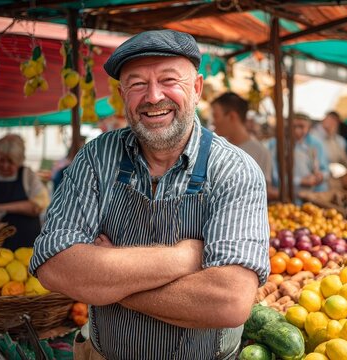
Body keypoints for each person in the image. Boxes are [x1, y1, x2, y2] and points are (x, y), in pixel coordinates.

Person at [30, 30, 269, 360]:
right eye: (138, 83)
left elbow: (229, 301)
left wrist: (106, 286)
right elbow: (53, 265)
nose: (153, 96)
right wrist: (183, 258)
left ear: (197, 88)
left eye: (169, 80)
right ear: (122, 93)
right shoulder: (95, 158)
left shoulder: (234, 169)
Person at [0, 134, 50, 250]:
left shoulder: (28, 176)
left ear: (19, 161)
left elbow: (36, 207)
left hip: (27, 244)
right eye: (1, 160)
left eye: (10, 162)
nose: (5, 165)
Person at [210, 92, 273, 187]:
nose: (213, 122)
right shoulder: (215, 147)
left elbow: (264, 190)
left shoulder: (260, 152)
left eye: (215, 116)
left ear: (232, 116)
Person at [268, 113, 329, 203]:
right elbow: (275, 177)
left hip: (314, 197)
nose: (297, 130)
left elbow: (325, 170)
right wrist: (300, 181)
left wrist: (320, 176)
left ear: (309, 128)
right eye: (293, 126)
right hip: (288, 197)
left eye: (301, 126)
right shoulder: (276, 145)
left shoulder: (316, 144)